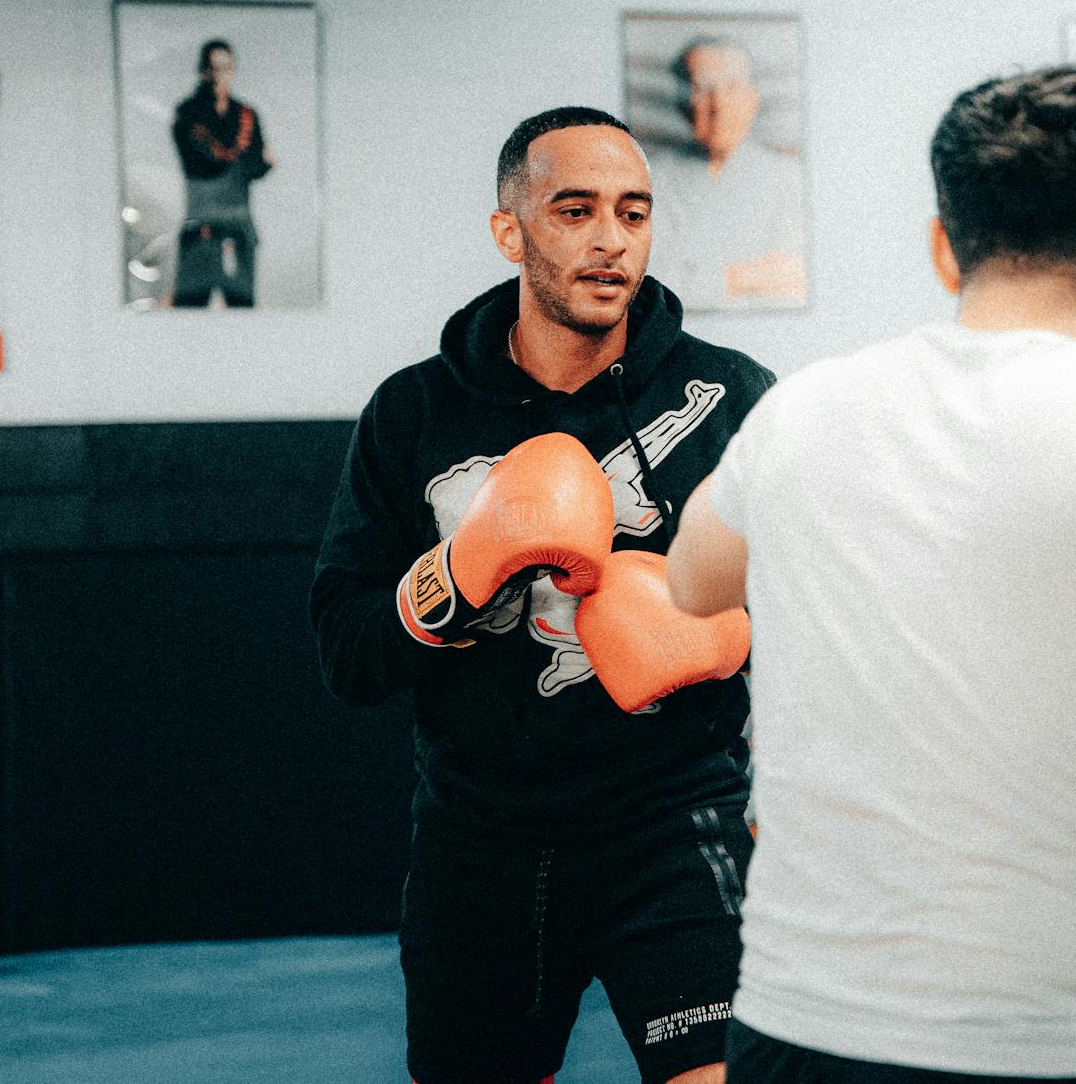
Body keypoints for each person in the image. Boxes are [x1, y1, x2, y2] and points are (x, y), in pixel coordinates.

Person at [666, 67, 1076, 1082]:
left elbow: (689, 582)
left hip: (782, 1044)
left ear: (941, 248)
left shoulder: (800, 412)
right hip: (1016, 1058)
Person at [311, 106, 777, 1084]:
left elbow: (831, 607)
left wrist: (722, 632)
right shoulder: (414, 413)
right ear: (510, 230)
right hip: (478, 844)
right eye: (574, 210)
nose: (610, 238)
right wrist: (458, 573)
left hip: (674, 825)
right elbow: (347, 654)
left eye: (633, 212)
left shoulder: (731, 400)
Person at [641, 36, 807, 309]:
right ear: (682, 102)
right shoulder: (649, 178)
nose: (718, 104)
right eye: (703, 88)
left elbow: (791, 286)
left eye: (732, 87)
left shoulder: (789, 178)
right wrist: (737, 278)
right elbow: (645, 290)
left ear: (753, 98)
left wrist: (694, 280)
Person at [169, 38, 271, 307]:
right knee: (188, 315)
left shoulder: (246, 115)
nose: (219, 76)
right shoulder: (188, 114)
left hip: (239, 225)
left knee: (242, 312)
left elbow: (257, 166)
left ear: (233, 69)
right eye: (214, 68)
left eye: (225, 68)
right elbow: (206, 160)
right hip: (201, 226)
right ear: (203, 71)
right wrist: (248, 159)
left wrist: (254, 161)